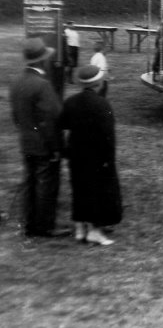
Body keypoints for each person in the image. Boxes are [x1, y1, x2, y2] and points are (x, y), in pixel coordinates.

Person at [59, 65, 122, 246]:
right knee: (97, 192)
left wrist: (66, 150)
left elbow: (61, 126)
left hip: (76, 154)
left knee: (79, 189)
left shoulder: (70, 101)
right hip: (97, 156)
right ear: (97, 82)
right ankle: (94, 231)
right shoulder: (103, 104)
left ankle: (79, 228)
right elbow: (108, 136)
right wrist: (108, 160)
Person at [10, 38, 65, 238]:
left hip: (26, 142)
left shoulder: (16, 82)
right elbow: (51, 119)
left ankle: (29, 225)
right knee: (45, 186)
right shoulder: (42, 85)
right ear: (43, 61)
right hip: (43, 144)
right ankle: (45, 227)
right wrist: (56, 147)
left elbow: (16, 117)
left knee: (30, 183)